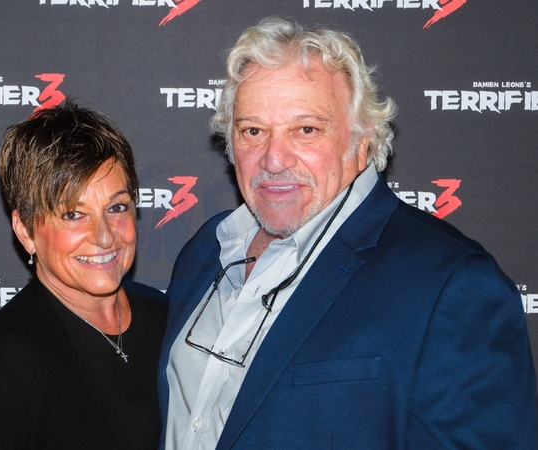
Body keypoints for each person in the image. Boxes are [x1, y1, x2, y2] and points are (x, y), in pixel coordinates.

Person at [159, 17, 537, 449]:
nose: (273, 158)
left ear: (361, 143)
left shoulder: (452, 286)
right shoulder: (206, 251)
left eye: (306, 129)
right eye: (253, 131)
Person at [0, 101, 167, 449]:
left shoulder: (167, 317)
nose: (105, 236)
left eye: (117, 207)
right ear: (26, 231)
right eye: (73, 214)